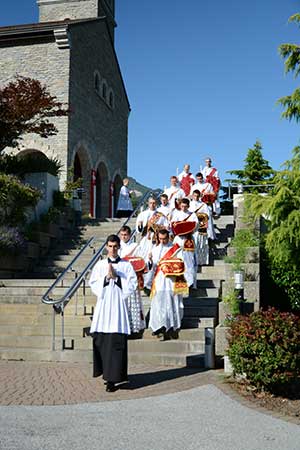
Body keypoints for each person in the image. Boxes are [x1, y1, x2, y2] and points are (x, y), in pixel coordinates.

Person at [89, 234, 137, 392]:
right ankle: (104, 372)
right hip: (103, 305)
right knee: (101, 340)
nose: (113, 249)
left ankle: (113, 378)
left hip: (117, 307)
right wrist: (105, 278)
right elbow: (93, 282)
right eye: (110, 246)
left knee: (116, 342)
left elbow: (132, 284)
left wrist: (116, 278)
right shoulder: (100, 265)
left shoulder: (126, 266)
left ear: (119, 247)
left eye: (115, 246)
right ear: (106, 247)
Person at [148, 229, 188, 340]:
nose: (162, 241)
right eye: (160, 239)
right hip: (160, 280)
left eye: (164, 239)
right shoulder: (155, 249)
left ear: (168, 237)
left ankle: (171, 325)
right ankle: (159, 326)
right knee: (158, 303)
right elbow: (152, 267)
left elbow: (181, 262)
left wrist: (168, 265)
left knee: (171, 302)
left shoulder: (175, 249)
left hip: (171, 280)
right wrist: (150, 261)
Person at [119, 226, 145, 335]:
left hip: (132, 278)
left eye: (126, 235)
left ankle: (135, 327)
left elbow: (139, 260)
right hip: (120, 278)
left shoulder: (135, 246)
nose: (124, 237)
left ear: (130, 235)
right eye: (122, 235)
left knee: (134, 302)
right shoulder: (117, 246)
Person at [171, 198, 198, 289]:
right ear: (180, 206)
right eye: (182, 206)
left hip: (188, 239)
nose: (183, 208)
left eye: (185, 206)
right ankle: (179, 281)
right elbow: (173, 226)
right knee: (179, 260)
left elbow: (195, 225)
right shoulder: (176, 214)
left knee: (189, 262)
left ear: (188, 206)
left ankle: (190, 282)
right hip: (179, 239)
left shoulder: (192, 215)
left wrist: (187, 229)